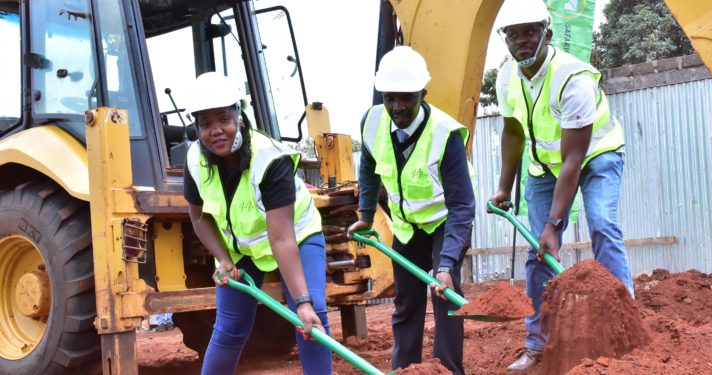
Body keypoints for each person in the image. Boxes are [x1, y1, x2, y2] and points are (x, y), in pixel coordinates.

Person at [489, 0, 635, 371]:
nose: (522, 40)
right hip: (545, 166)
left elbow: (574, 159)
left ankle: (628, 332)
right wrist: (504, 188)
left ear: (547, 34)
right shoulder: (506, 76)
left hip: (596, 154)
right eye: (513, 34)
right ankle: (538, 344)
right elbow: (512, 133)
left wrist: (555, 225)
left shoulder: (573, 78)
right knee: (537, 253)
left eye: (529, 32)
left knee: (602, 224)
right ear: (505, 40)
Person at [183, 72, 332, 374]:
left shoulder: (269, 160)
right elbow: (198, 216)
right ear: (196, 127)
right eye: (205, 124)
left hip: (297, 236)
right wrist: (223, 259)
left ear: (239, 115)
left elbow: (283, 240)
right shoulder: (195, 159)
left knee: (310, 315)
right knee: (230, 327)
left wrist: (301, 302)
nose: (216, 131)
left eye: (223, 119)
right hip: (243, 248)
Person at [347, 46, 475, 375]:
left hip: (444, 222)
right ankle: (405, 369)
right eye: (390, 98)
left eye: (407, 98)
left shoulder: (445, 135)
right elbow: (369, 168)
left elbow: (462, 206)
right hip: (406, 226)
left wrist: (445, 264)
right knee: (406, 301)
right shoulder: (373, 121)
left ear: (423, 93)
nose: (398, 107)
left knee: (445, 293)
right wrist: (364, 215)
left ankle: (448, 370)